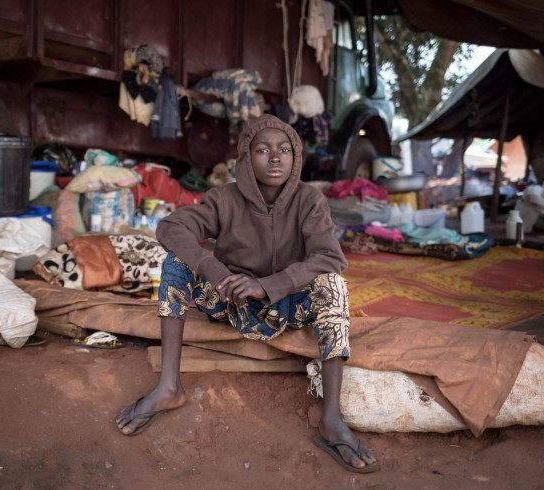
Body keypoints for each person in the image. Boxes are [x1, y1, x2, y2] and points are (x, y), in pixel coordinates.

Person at [116, 114, 379, 473]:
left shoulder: (310, 200)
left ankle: (331, 417)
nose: (275, 157)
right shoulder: (223, 198)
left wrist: (268, 285)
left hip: (286, 308)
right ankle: (168, 386)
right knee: (177, 261)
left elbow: (330, 256)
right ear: (245, 158)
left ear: (295, 158)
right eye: (262, 150)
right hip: (229, 304)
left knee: (332, 281)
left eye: (284, 150)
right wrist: (219, 274)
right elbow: (172, 226)